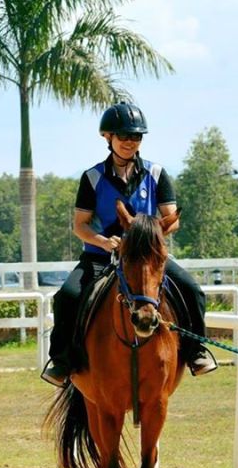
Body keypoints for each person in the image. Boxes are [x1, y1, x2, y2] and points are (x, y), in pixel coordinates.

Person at [41, 101, 217, 388]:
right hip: (100, 256)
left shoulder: (156, 174)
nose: (130, 141)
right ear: (108, 137)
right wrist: (103, 241)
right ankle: (61, 361)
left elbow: (172, 219)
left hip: (145, 257)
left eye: (136, 136)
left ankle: (196, 350)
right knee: (67, 296)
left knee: (192, 289)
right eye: (123, 135)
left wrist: (148, 235)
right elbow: (80, 225)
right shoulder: (92, 177)